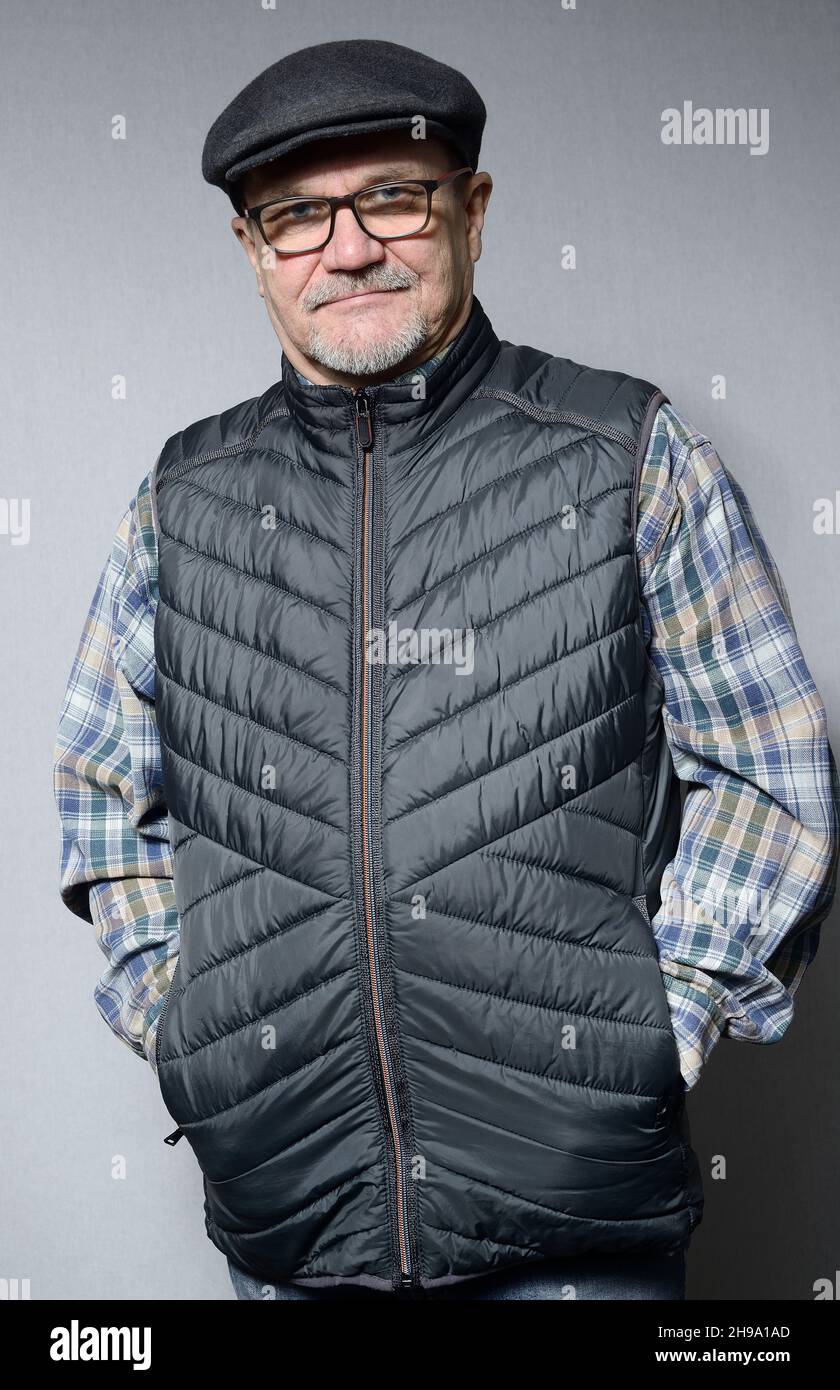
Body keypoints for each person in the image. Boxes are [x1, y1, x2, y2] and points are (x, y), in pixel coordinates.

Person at [52, 38, 839, 1301]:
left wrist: (657, 1033)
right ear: (253, 253)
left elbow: (768, 770)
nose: (347, 246)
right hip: (291, 1229)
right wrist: (189, 1036)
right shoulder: (183, 498)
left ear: (470, 210)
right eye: (297, 216)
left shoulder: (624, 452)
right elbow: (103, 797)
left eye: (393, 197)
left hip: (576, 1237)